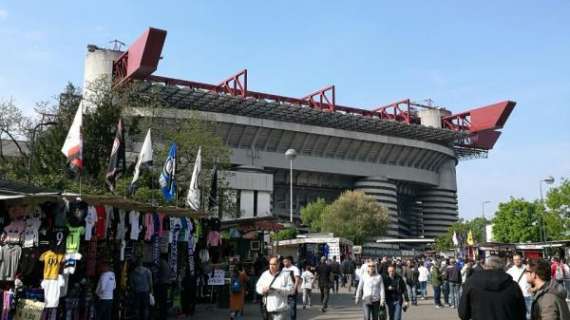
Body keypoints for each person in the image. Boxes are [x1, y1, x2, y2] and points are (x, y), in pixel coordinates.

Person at [458, 255, 526, 320]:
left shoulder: (471, 282)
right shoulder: (513, 285)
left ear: (485, 266)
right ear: (503, 267)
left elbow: (463, 313)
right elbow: (522, 312)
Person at [256, 256, 295, 320]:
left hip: (280, 311)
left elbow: (291, 290)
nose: (271, 266)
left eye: (273, 264)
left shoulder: (285, 275)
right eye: (270, 264)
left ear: (278, 264)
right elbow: (258, 287)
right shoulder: (265, 274)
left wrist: (277, 290)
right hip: (267, 310)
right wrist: (262, 290)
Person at [507, 254, 533, 319]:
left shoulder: (527, 268)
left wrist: (533, 288)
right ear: (513, 261)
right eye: (515, 260)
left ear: (521, 259)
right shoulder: (510, 271)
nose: (517, 261)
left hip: (528, 295)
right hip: (517, 297)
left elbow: (534, 279)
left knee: (531, 314)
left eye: (518, 259)